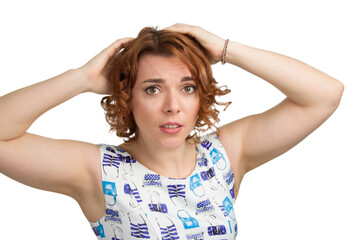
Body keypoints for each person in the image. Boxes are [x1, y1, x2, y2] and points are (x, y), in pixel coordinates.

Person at [0, 23, 343, 239]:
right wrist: (83, 79)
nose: (172, 105)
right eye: (152, 88)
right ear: (126, 97)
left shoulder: (224, 156)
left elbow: (324, 94)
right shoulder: (98, 171)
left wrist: (226, 50)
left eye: (188, 87)